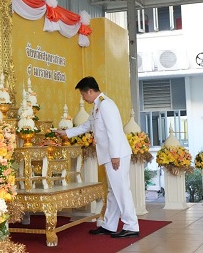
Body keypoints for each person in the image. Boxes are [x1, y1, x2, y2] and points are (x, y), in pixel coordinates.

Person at [56, 76, 140, 238]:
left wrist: (115, 156)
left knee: (121, 190)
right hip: (111, 155)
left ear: (90, 91)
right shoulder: (97, 106)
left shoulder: (106, 105)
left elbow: (114, 131)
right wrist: (66, 133)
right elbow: (87, 125)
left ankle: (131, 225)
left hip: (117, 155)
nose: (83, 98)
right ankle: (109, 225)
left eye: (83, 94)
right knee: (113, 191)